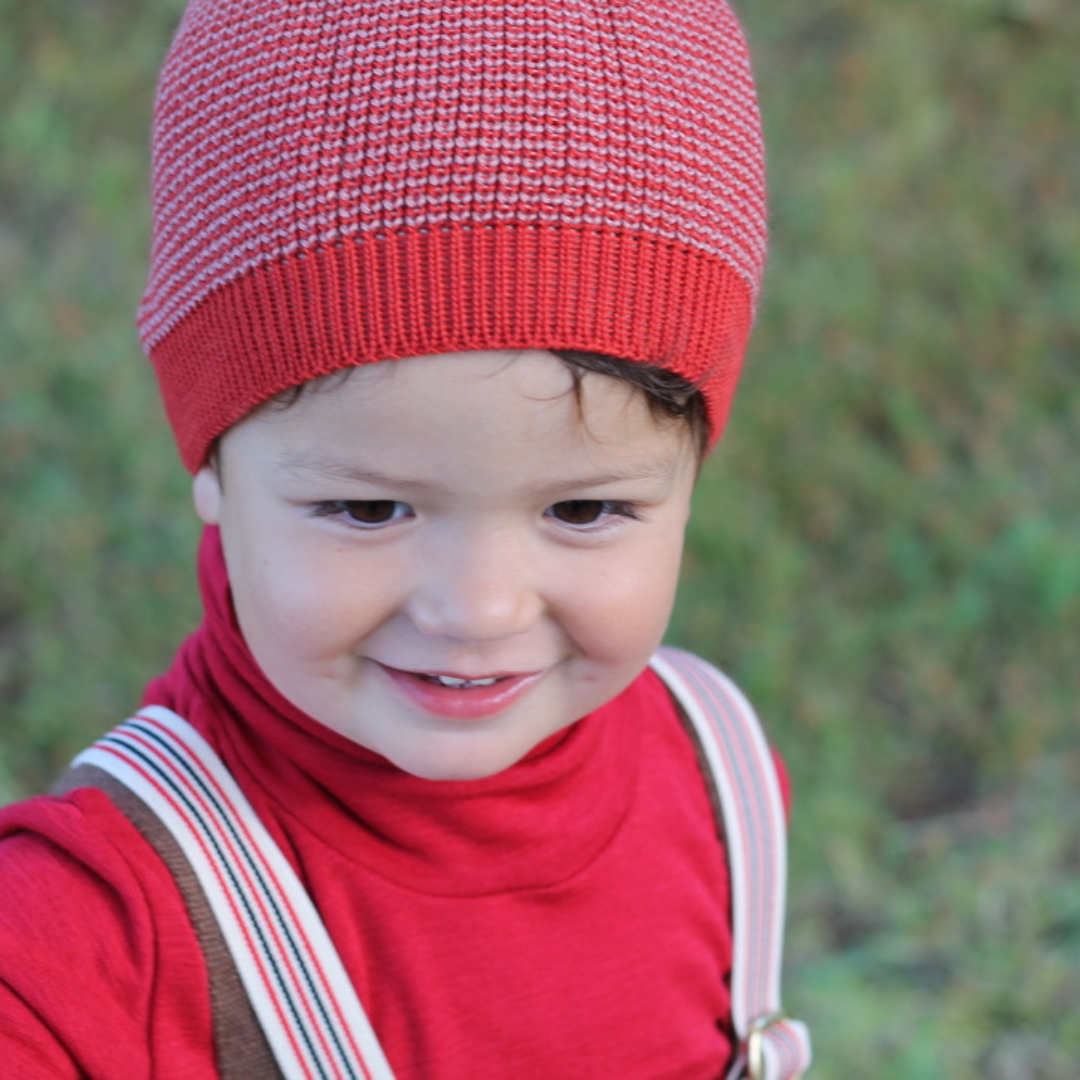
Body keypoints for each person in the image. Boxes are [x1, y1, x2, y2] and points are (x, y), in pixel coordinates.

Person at [0, 1, 811, 1077]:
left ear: (691, 475)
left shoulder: (721, 778)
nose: (476, 608)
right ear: (209, 465)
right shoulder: (81, 945)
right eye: (370, 511)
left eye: (582, 511)